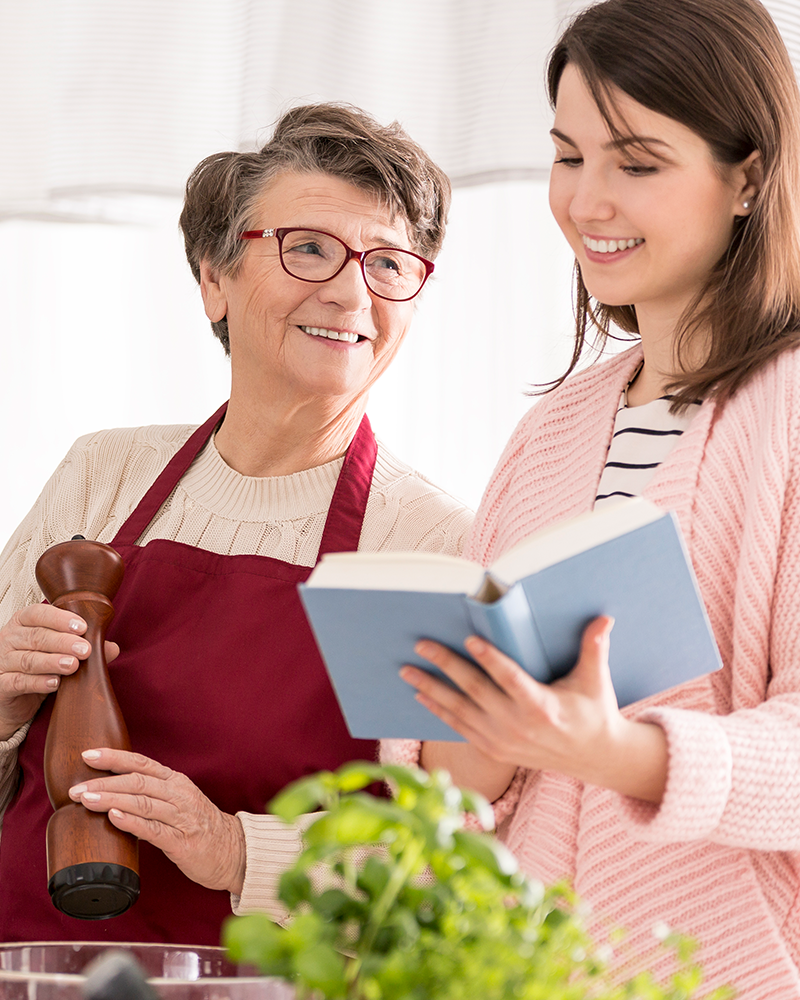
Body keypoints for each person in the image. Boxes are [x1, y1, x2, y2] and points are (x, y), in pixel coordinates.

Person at [389, 0, 800, 995]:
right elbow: (457, 786)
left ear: (746, 176)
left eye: (636, 161)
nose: (585, 202)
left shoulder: (787, 410)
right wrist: (471, 744)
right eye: (568, 156)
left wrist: (614, 750)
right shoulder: (550, 431)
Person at [0, 103, 472, 944]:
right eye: (310, 248)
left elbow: (447, 862)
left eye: (390, 263)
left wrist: (234, 849)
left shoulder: (429, 544)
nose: (351, 290)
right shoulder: (100, 479)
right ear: (214, 278)